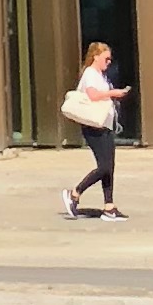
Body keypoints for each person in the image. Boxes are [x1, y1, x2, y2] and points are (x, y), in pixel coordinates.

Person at [59, 35, 125, 220]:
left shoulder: (100, 75)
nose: (109, 62)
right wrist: (113, 93)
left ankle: (109, 206)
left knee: (109, 167)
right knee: (103, 166)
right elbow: (93, 95)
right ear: (96, 56)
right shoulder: (90, 73)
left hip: (105, 125)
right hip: (94, 126)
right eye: (106, 58)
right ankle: (75, 193)